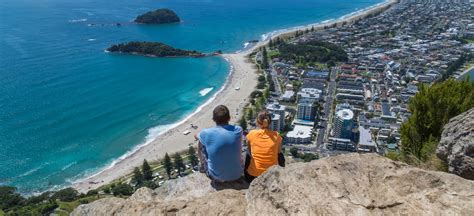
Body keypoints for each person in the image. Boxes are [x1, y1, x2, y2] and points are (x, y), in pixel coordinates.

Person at [195, 105, 244, 183]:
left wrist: (200, 136)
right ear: (229, 118)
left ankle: (203, 166)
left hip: (216, 177)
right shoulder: (238, 130)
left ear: (214, 119)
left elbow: (196, 136)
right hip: (237, 174)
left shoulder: (206, 133)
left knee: (200, 143)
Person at [245, 110, 284, 183]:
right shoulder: (277, 136)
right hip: (271, 176)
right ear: (270, 122)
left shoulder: (252, 134)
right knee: (279, 154)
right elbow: (279, 153)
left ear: (257, 122)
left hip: (253, 176)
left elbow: (250, 153)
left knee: (248, 151)